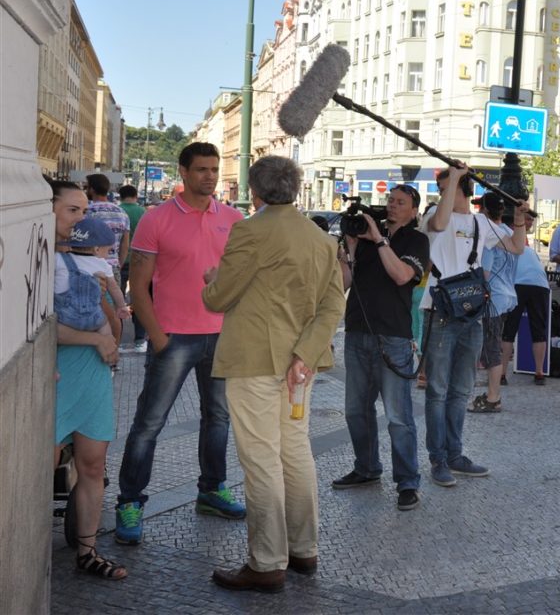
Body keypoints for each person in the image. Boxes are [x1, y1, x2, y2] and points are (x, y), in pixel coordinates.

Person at [203, 157, 345, 593]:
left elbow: (219, 297)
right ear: (296, 189)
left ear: (256, 190)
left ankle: (266, 563)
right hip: (300, 365)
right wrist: (305, 353)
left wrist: (212, 280)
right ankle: (303, 549)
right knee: (295, 452)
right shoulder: (320, 238)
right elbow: (333, 305)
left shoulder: (251, 230)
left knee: (262, 458)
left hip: (255, 359)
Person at [115, 142, 246, 545]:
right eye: (202, 169)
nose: (210, 176)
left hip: (222, 335)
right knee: (149, 423)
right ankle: (130, 500)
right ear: (184, 172)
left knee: (218, 418)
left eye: (214, 169)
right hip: (173, 336)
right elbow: (138, 286)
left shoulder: (234, 219)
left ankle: (212, 489)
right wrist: (157, 337)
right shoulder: (156, 219)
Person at [421, 165, 527, 487]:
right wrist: (453, 177)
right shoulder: (433, 214)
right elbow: (440, 224)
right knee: (437, 389)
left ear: (465, 190)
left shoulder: (481, 222)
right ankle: (438, 458)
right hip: (439, 311)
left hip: (471, 313)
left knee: (461, 390)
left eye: (447, 188)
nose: (442, 194)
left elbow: (516, 247)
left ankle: (455, 454)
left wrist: (519, 219)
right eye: (442, 188)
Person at [333, 183, 429, 511]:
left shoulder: (416, 240)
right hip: (357, 332)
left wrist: (379, 240)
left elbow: (402, 275)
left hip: (394, 337)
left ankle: (408, 481)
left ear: (414, 211)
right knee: (356, 410)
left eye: (400, 202)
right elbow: (343, 283)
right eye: (390, 200)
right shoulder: (366, 238)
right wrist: (349, 249)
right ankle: (366, 468)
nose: (392, 206)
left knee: (398, 416)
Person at [50, 179, 127, 581]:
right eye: (72, 211)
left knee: (93, 465)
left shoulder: (91, 263)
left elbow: (114, 331)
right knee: (43, 468)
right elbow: (43, 329)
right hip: (57, 371)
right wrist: (96, 339)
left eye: (84, 211)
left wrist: (103, 312)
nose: (80, 220)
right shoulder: (42, 261)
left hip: (93, 373)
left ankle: (88, 551)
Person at [470, 193, 523, 412]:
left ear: (483, 210)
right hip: (508, 296)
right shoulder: (509, 233)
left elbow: (485, 272)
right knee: (495, 345)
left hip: (493, 298)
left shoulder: (489, 237)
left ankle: (493, 397)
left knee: (491, 348)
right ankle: (493, 394)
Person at [499, 212, 551, 388]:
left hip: (518, 284)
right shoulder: (529, 250)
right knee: (539, 331)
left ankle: (502, 374)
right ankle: (539, 373)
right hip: (540, 286)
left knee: (509, 331)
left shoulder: (506, 243)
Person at [55, 218, 131, 334]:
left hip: (63, 318)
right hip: (92, 317)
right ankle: (107, 342)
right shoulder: (103, 265)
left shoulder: (58, 258)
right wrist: (121, 306)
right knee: (106, 326)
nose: (108, 255)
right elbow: (114, 288)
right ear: (97, 249)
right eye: (109, 251)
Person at [84, 173, 130, 286]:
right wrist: (118, 264)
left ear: (92, 189)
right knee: (115, 297)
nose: (85, 190)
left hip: (90, 267)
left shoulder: (86, 211)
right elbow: (125, 245)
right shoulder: (122, 213)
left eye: (86, 187)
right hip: (113, 268)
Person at [118, 184, 148, 350]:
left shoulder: (118, 211)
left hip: (120, 261)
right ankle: (139, 340)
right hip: (141, 261)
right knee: (140, 299)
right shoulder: (143, 212)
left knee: (118, 301)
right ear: (136, 196)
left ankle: (117, 340)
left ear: (120, 196)